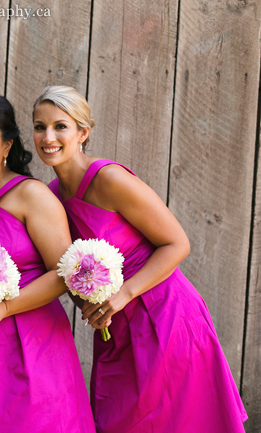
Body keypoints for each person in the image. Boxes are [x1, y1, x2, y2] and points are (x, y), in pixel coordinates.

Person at [35, 85, 247, 432]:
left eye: (60, 126)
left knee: (178, 419)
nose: (48, 136)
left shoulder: (110, 179)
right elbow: (65, 267)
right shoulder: (50, 197)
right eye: (40, 126)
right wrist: (86, 301)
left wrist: (124, 294)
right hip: (115, 325)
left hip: (164, 312)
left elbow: (177, 243)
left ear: (82, 132)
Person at [0, 95, 95, 433]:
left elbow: (64, 273)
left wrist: (6, 308)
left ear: (6, 145)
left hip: (33, 339)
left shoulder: (31, 195)